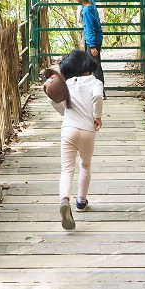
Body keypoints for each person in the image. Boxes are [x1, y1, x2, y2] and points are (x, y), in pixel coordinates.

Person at [46, 49, 103, 230]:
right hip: (87, 131)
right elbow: (97, 96)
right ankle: (80, 201)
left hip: (68, 130)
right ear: (87, 64)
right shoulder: (95, 82)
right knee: (85, 165)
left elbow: (53, 100)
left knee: (67, 170)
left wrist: (65, 114)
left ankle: (64, 200)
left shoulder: (66, 84)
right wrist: (98, 116)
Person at [73, 0, 105, 95]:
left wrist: (91, 46)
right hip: (96, 39)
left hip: (93, 41)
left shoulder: (86, 11)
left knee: (95, 66)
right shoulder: (91, 3)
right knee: (90, 64)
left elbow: (90, 29)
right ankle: (93, 90)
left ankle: (100, 92)